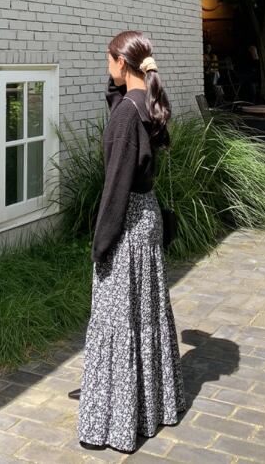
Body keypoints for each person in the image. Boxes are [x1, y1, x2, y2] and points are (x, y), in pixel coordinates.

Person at [71, 31, 187, 454]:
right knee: (144, 314)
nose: (106, 68)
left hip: (128, 223)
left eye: (109, 61)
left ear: (122, 63)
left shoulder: (126, 116)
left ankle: (115, 424)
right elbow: (121, 106)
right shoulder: (146, 103)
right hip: (147, 217)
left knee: (117, 318)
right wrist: (120, 82)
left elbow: (115, 186)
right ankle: (150, 407)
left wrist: (101, 244)